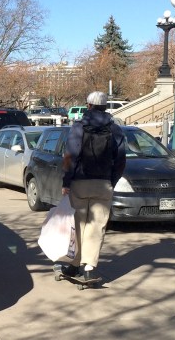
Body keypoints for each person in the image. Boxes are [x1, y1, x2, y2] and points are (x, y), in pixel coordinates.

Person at [59, 91, 126, 283]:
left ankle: (74, 264)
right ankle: (89, 267)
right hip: (103, 183)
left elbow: (70, 156)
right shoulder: (115, 129)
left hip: (80, 182)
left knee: (78, 224)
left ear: (88, 105)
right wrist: (111, 181)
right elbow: (121, 160)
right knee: (97, 226)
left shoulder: (79, 127)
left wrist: (66, 181)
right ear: (106, 107)